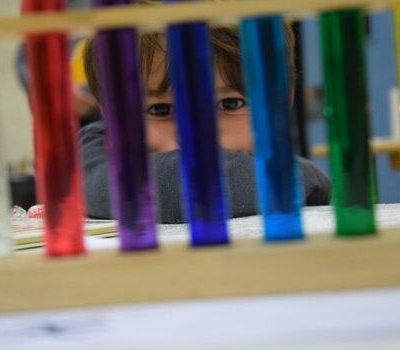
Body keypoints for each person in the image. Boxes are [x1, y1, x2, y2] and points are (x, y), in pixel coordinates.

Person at [80, 23, 331, 224]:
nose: (196, 136)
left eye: (230, 104)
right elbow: (176, 188)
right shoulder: (93, 153)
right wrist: (297, 178)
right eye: (161, 109)